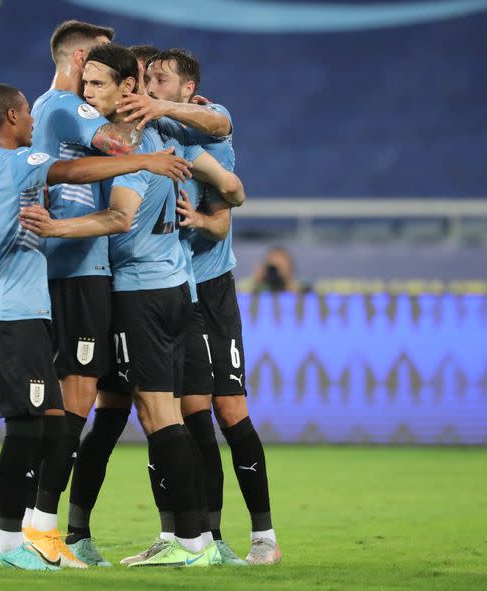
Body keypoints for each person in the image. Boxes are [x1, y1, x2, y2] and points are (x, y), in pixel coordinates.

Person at [21, 43, 244, 567]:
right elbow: (232, 188)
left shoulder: (131, 147)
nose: (86, 94)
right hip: (178, 288)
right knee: (164, 413)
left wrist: (57, 227)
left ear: (127, 88)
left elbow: (119, 219)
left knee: (148, 412)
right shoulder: (173, 137)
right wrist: (208, 214)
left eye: (97, 85)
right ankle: (194, 540)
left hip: (137, 292)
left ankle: (184, 541)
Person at [0, 82, 191, 571]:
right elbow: (74, 168)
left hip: (12, 308)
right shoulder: (22, 159)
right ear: (15, 117)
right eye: (27, 118)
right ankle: (16, 540)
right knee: (31, 425)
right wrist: (143, 161)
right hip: (11, 312)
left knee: (52, 420)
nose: (34, 126)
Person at [144, 48, 281, 565]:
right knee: (184, 415)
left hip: (212, 288)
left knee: (230, 410)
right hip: (170, 293)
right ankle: (207, 538)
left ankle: (264, 536)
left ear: (188, 88)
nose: (152, 86)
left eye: (161, 78)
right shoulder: (150, 135)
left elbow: (228, 209)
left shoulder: (206, 128)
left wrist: (197, 222)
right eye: (147, 78)